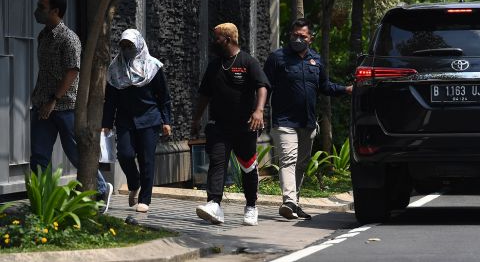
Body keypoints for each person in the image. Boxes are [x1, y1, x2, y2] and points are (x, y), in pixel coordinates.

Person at [30, 0, 112, 213]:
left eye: (42, 7)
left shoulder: (69, 39)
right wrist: (40, 97)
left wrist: (54, 100)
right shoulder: (43, 35)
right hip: (42, 103)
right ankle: (42, 202)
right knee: (39, 156)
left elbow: (72, 72)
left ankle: (101, 190)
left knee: (75, 153)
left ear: (55, 11)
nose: (37, 11)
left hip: (64, 105)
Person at [264, 19, 352, 220]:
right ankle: (289, 201)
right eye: (295, 35)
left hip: (308, 122)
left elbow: (325, 86)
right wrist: (258, 110)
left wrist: (346, 89)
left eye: (302, 36)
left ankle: (294, 203)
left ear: (310, 38)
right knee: (288, 159)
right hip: (284, 121)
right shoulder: (277, 58)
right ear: (290, 35)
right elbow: (264, 86)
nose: (298, 39)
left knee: (301, 164)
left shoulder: (316, 60)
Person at [191, 23, 269, 226]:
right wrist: (196, 119)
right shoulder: (214, 65)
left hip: (245, 127)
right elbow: (204, 95)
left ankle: (251, 206)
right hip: (219, 126)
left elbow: (262, 86)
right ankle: (214, 205)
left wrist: (259, 110)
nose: (213, 42)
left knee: (248, 167)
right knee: (217, 163)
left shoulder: (248, 62)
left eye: (216, 38)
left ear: (228, 39)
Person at [101, 29, 172, 213]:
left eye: (130, 46)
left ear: (139, 45)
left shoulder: (153, 67)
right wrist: (106, 123)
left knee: (146, 159)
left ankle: (145, 199)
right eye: (123, 46)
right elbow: (110, 100)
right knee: (124, 154)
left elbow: (163, 96)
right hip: (125, 119)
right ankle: (134, 182)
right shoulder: (115, 69)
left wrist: (166, 121)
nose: (126, 49)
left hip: (149, 118)